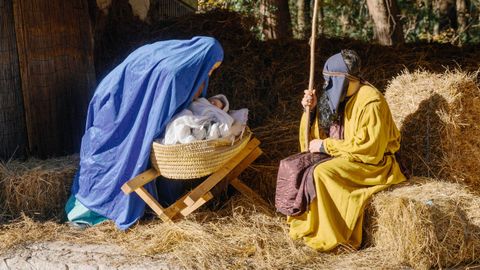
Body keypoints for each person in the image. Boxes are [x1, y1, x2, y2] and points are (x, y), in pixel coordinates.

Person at [65, 36, 224, 230]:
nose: (210, 72)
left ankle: (93, 205)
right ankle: (92, 210)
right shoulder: (176, 73)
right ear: (203, 58)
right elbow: (166, 109)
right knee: (115, 155)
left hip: (114, 97)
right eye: (212, 66)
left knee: (110, 154)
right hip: (117, 105)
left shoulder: (178, 59)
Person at [288, 50, 407, 251]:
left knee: (323, 172)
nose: (327, 86)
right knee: (298, 165)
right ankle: (314, 227)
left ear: (344, 79)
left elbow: (369, 149)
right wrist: (312, 109)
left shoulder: (371, 101)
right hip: (349, 155)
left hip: (374, 165)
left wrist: (327, 146)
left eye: (331, 81)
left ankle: (337, 236)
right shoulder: (339, 96)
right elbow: (314, 137)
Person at [162, 94, 248, 145]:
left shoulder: (218, 113)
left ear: (220, 111)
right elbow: (194, 107)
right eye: (213, 100)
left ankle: (192, 137)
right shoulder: (201, 102)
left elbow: (226, 121)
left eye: (216, 105)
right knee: (184, 116)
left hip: (203, 125)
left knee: (208, 129)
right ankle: (186, 137)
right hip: (194, 118)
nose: (213, 103)